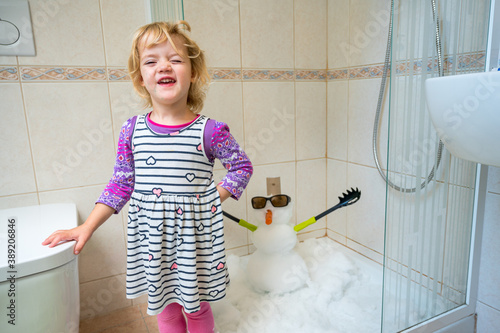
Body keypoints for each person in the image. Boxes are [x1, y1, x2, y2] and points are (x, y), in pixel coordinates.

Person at [42, 20, 253, 333]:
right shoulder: (132, 131)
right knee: (164, 308)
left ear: (193, 73)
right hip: (152, 242)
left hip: (194, 241)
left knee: (195, 307)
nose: (164, 66)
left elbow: (241, 167)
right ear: (140, 77)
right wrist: (86, 227)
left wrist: (211, 197)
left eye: (176, 59)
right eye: (151, 61)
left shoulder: (210, 131)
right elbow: (121, 184)